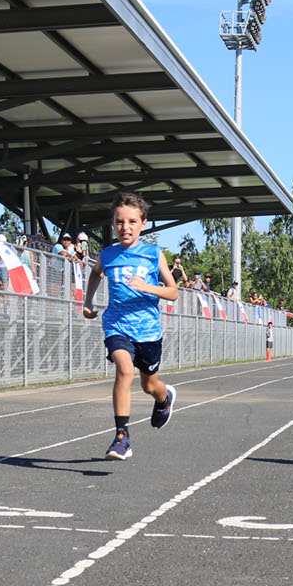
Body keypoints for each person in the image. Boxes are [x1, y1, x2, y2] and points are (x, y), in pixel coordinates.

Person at [82, 192, 179, 461]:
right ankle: (121, 438)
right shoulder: (108, 254)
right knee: (124, 370)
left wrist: (148, 287)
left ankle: (164, 398)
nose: (125, 227)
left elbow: (173, 292)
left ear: (143, 224)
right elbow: (95, 273)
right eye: (119, 222)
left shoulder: (152, 253)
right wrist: (88, 301)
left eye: (132, 222)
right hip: (117, 325)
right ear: (113, 223)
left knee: (150, 386)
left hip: (148, 331)